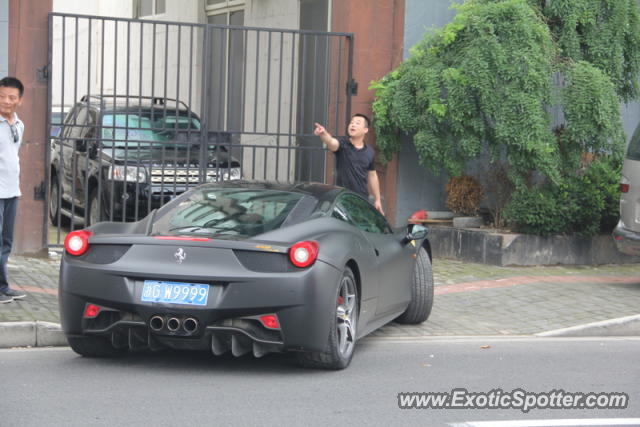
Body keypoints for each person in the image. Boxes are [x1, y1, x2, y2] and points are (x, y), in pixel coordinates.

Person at [314, 114, 384, 215]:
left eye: (357, 123)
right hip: (343, 198)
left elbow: (372, 175)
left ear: (365, 130)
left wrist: (377, 199)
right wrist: (323, 133)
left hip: (361, 199)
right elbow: (331, 142)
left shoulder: (370, 151)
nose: (352, 125)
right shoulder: (343, 143)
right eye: (351, 122)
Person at [0, 76, 26, 303]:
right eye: (1, 96)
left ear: (19, 100)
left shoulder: (19, 125)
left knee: (6, 241)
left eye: (11, 97)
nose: (6, 101)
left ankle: (3, 286)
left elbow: (12, 156)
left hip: (11, 191)